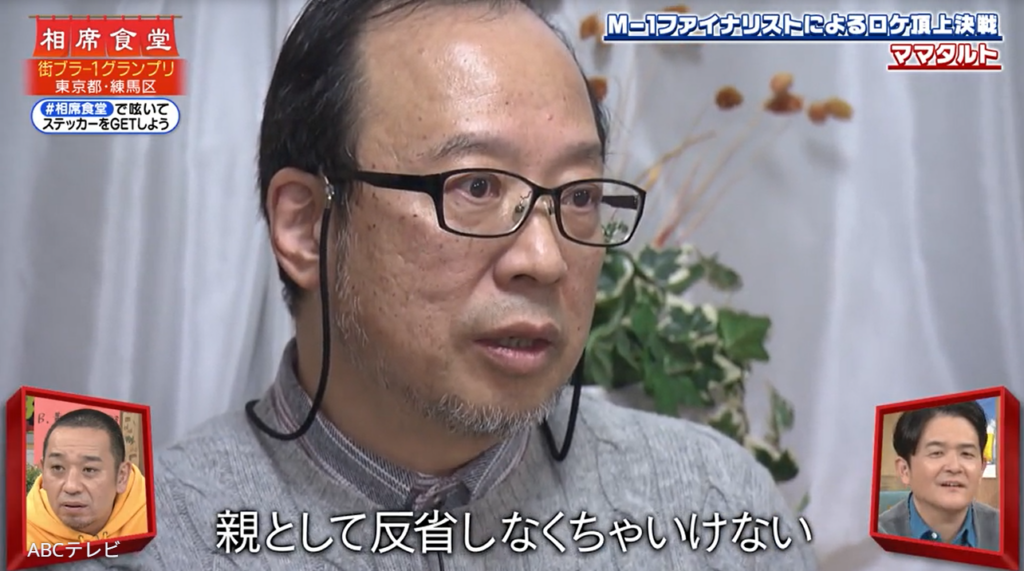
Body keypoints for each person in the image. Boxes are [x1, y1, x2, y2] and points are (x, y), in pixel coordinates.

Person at [59, 0, 816, 568]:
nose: (545, 259)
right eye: (476, 186)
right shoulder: (142, 541)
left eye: (580, 194)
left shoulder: (713, 506)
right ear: (305, 225)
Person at [877, 401, 999, 550]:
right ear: (904, 470)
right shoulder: (875, 543)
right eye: (936, 453)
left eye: (966, 454)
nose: (954, 467)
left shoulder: (1010, 532)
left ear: (981, 468)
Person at [26, 408, 148, 550]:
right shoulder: (19, 534)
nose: (71, 487)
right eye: (57, 467)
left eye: (89, 470)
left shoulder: (156, 521)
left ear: (121, 477)